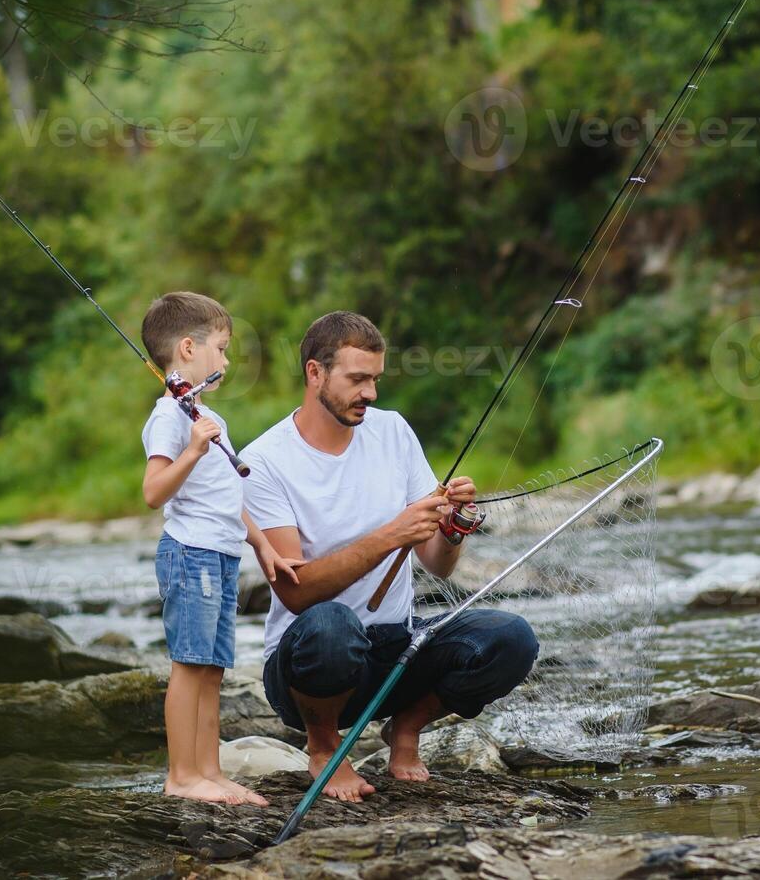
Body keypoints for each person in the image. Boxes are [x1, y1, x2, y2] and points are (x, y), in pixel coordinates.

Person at [242, 311, 538, 803]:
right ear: (315, 373)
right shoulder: (267, 460)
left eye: (376, 380)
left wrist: (454, 525)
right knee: (332, 625)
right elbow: (296, 593)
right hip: (307, 667)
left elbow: (438, 564)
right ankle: (324, 748)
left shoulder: (393, 431)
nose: (371, 394)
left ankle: (405, 727)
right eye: (357, 379)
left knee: (511, 638)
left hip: (395, 649)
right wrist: (388, 535)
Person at [140, 291, 303, 806]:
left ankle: (210, 771)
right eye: (223, 348)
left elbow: (230, 496)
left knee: (213, 668)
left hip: (222, 555)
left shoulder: (205, 415)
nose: (228, 360)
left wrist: (263, 548)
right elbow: (153, 491)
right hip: (190, 554)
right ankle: (181, 775)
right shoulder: (170, 417)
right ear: (188, 348)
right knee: (189, 664)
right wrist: (192, 448)